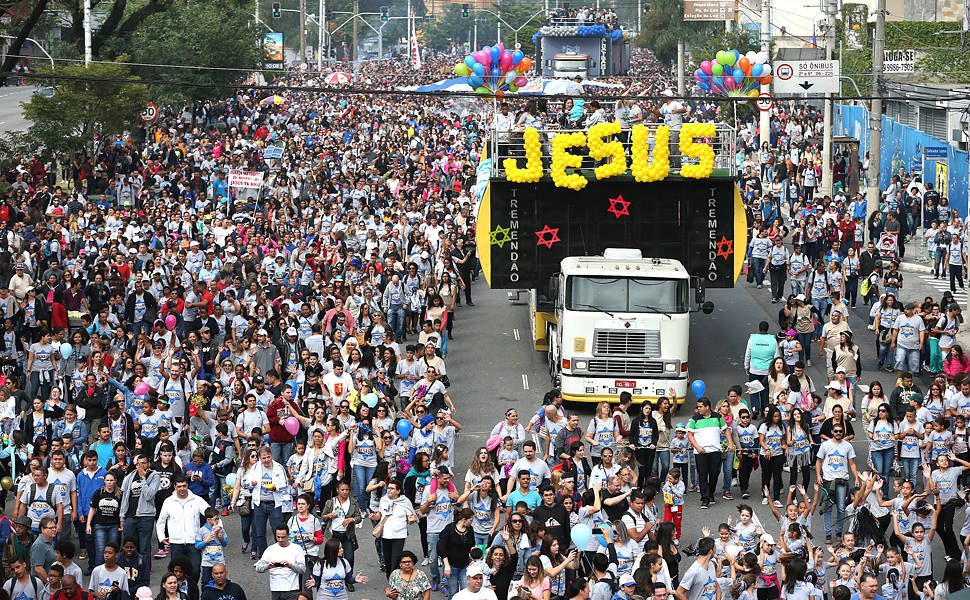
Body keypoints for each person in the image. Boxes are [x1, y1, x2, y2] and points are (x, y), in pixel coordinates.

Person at [155, 474, 209, 600]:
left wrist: (214, 529)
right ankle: (177, 595)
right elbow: (161, 520)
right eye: (179, 486)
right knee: (177, 573)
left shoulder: (196, 500)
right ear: (175, 487)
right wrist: (161, 537)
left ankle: (191, 593)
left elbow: (210, 512)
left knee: (195, 570)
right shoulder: (169, 501)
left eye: (184, 486)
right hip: (176, 542)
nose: (182, 489)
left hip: (193, 542)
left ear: (187, 485)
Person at [816, 424, 860, 543]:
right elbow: (818, 461)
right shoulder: (825, 445)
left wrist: (856, 477)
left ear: (843, 432)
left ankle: (839, 532)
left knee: (841, 507)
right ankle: (828, 534)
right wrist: (819, 475)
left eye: (840, 431)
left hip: (842, 481)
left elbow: (852, 463)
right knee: (827, 508)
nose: (838, 433)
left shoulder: (848, 446)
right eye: (836, 431)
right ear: (832, 431)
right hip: (828, 480)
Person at [686, 398, 732, 509]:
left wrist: (730, 443)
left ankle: (711, 493)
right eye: (698, 406)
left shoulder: (718, 417)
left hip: (715, 451)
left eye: (700, 406)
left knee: (714, 474)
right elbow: (690, 434)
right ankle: (705, 499)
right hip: (700, 452)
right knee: (702, 475)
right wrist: (697, 446)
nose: (698, 409)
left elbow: (726, 430)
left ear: (707, 407)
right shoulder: (694, 419)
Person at [320, 481, 362, 591]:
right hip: (334, 535)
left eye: (347, 490)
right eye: (342, 490)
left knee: (349, 558)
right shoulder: (331, 502)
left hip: (347, 535)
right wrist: (329, 515)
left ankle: (349, 580)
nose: (345, 492)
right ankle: (334, 578)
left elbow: (359, 517)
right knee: (333, 557)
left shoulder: (353, 502)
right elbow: (323, 517)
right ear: (338, 490)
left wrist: (351, 519)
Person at [254, 525, 305, 600]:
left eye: (283, 537)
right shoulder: (270, 549)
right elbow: (258, 568)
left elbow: (302, 569)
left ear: (288, 536)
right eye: (278, 537)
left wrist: (290, 565)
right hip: (275, 590)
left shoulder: (297, 549)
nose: (280, 540)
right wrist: (267, 566)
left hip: (292, 589)